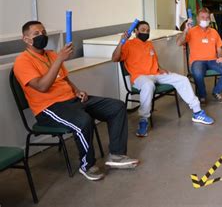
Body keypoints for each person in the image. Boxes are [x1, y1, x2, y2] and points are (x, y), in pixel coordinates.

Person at [14, 21, 139, 181]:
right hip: (49, 108)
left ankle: (116, 155)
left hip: (72, 99)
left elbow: (64, 79)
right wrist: (60, 59)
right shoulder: (22, 61)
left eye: (44, 32)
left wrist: (77, 91)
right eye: (36, 34)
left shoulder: (51, 54)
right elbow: (42, 86)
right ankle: (87, 165)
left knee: (116, 106)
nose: (42, 36)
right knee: (83, 121)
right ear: (26, 39)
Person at [112, 21, 214, 137]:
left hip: (156, 74)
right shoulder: (128, 44)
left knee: (182, 79)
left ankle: (197, 112)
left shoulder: (149, 44)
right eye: (143, 30)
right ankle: (143, 120)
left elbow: (153, 59)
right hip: (140, 77)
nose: (146, 33)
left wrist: (161, 68)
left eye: (148, 30)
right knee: (148, 85)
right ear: (135, 32)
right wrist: (121, 42)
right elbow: (115, 58)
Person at [176, 8, 222, 105]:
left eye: (207, 18)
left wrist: (220, 56)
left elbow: (219, 48)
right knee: (198, 73)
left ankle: (216, 91)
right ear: (197, 18)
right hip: (197, 61)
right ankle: (202, 95)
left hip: (213, 61)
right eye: (202, 17)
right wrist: (185, 30)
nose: (205, 20)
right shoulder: (191, 31)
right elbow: (179, 42)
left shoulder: (214, 32)